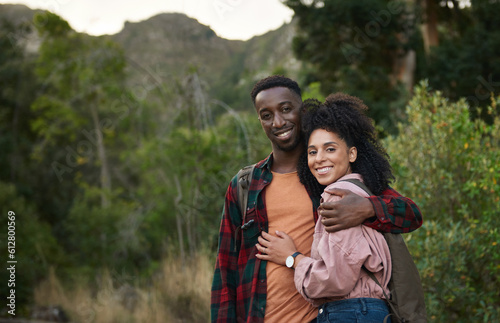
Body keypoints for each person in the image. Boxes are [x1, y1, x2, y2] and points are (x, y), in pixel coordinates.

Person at [211, 75, 422, 323]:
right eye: (266, 115)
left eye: (286, 109)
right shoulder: (245, 186)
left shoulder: (329, 177)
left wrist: (367, 208)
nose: (278, 122)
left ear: (302, 111)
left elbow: (410, 214)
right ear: (260, 120)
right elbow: (226, 273)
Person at [256, 93, 394, 322]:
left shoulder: (340, 199)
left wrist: (291, 257)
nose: (319, 158)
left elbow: (333, 280)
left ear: (351, 153)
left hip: (350, 313)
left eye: (330, 149)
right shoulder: (363, 192)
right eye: (312, 151)